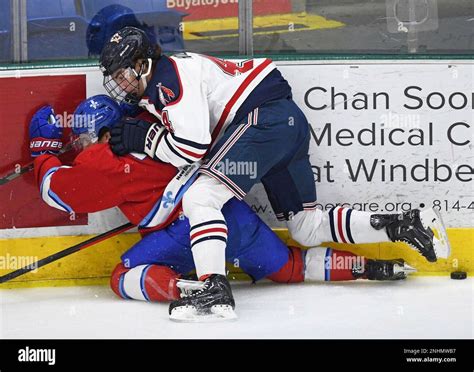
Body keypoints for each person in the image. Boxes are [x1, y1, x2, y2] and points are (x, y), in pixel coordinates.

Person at [99, 27, 451, 320]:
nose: (121, 84)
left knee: (201, 197)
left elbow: (192, 148)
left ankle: (213, 290)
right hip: (287, 125)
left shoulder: (168, 77)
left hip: (263, 123)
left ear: (142, 64)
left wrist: (146, 138)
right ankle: (403, 223)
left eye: (122, 75)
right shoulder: (167, 79)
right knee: (305, 226)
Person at [29, 95, 429, 321]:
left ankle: (191, 288)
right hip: (233, 214)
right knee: (290, 266)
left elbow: (59, 192)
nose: (76, 146)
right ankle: (375, 267)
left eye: (80, 136)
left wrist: (43, 151)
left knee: (122, 276)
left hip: (189, 232)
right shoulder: (157, 124)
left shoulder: (105, 158)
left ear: (98, 131)